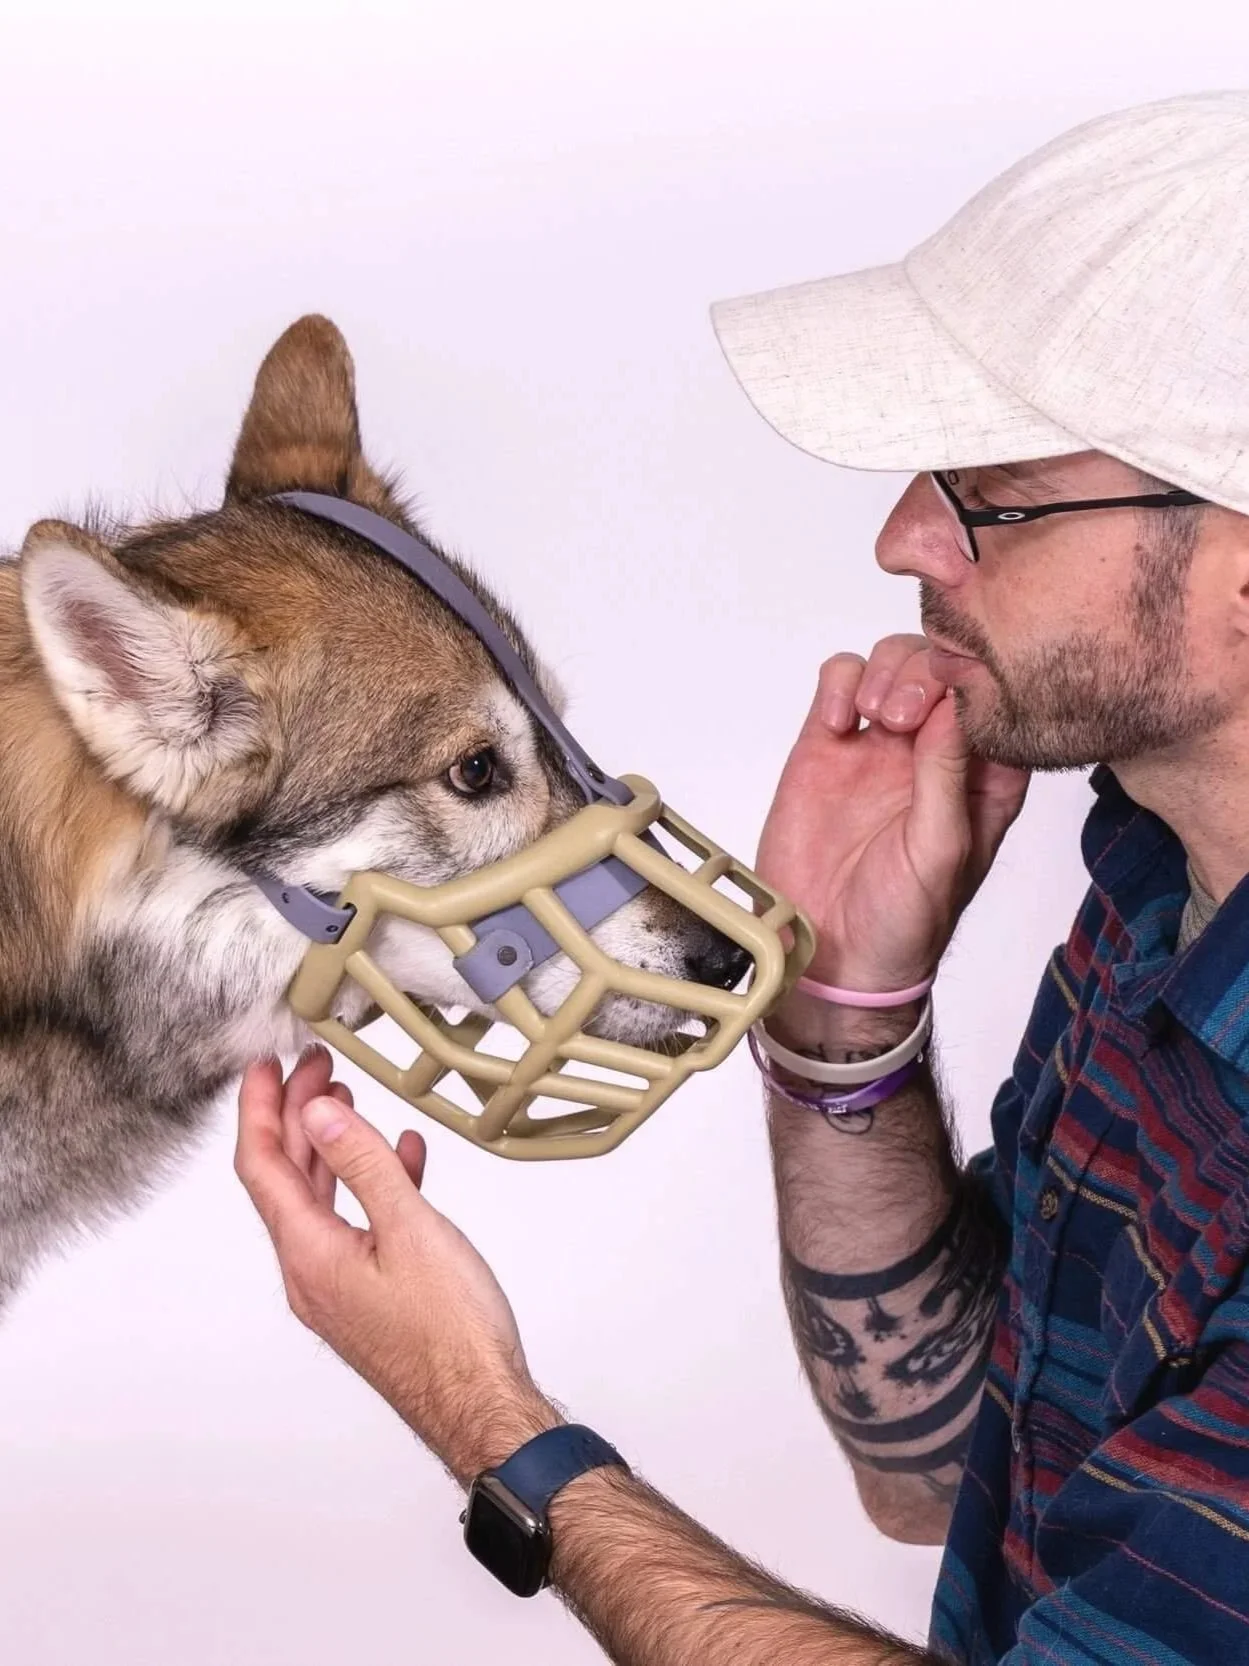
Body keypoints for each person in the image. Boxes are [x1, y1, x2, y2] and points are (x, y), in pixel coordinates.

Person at [233, 90, 1249, 1665]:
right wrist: (848, 1012)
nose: (905, 537)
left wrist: (494, 1423)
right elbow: (939, 1464)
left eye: (993, 489)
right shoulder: (1161, 888)